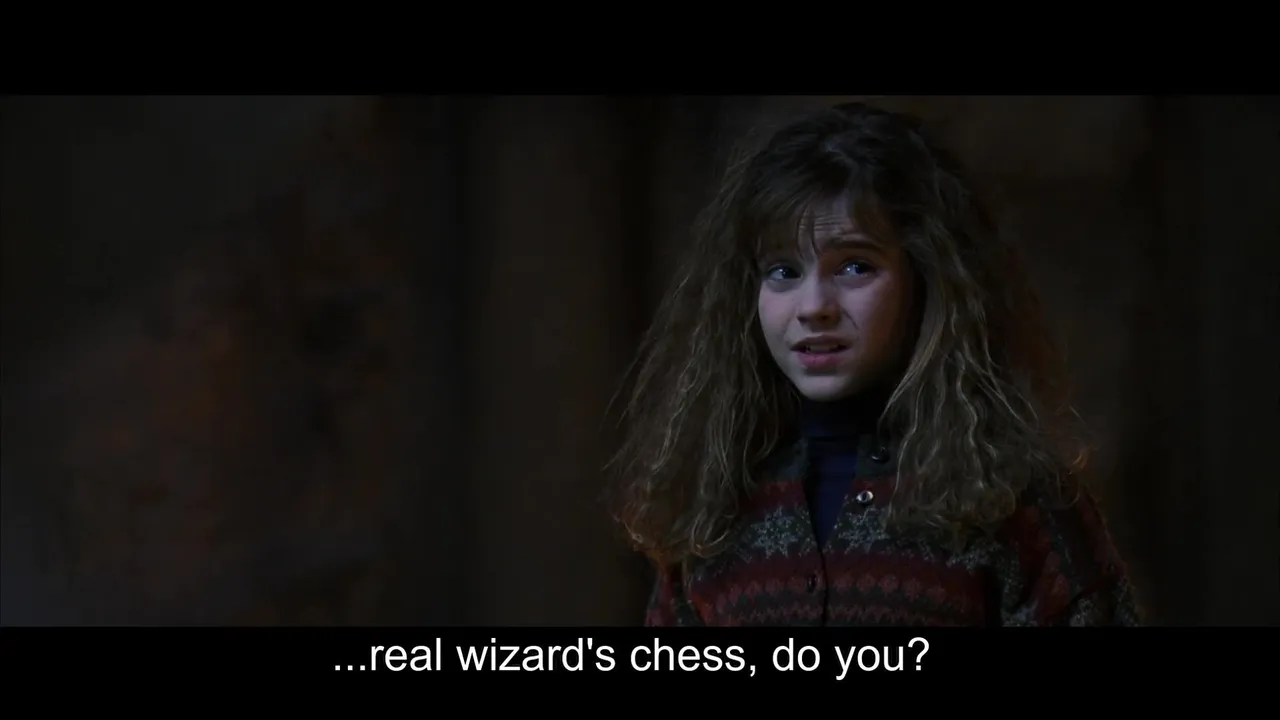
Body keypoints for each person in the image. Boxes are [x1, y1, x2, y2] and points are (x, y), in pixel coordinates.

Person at [605, 101, 1142, 627]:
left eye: (855, 266)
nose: (814, 307)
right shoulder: (714, 504)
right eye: (783, 271)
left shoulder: (1014, 499)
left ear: (924, 278)